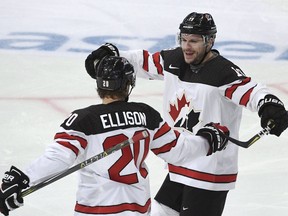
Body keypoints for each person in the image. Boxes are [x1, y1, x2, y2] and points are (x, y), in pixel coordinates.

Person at [84, 12, 288, 216]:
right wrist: (110, 55)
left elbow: (252, 92)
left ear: (210, 41)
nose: (186, 47)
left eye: (194, 41)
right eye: (183, 39)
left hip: (209, 170)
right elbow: (142, 61)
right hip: (180, 164)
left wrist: (270, 106)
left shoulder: (223, 73)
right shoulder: (174, 60)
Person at [0, 56, 230, 216]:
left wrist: (22, 179)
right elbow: (180, 152)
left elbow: (58, 158)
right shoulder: (145, 115)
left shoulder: (84, 119)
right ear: (128, 84)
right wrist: (208, 139)